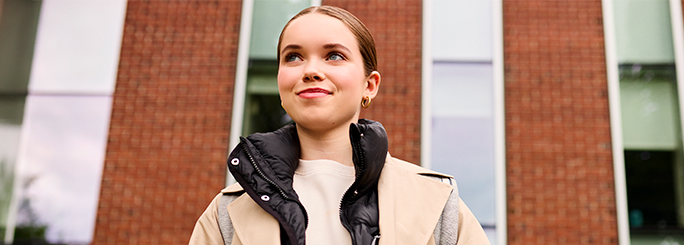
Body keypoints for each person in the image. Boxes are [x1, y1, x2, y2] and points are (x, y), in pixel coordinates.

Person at [189, 5, 489, 245]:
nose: (311, 70)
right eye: (293, 57)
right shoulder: (225, 215)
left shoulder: (436, 203)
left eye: (333, 56)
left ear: (369, 86)